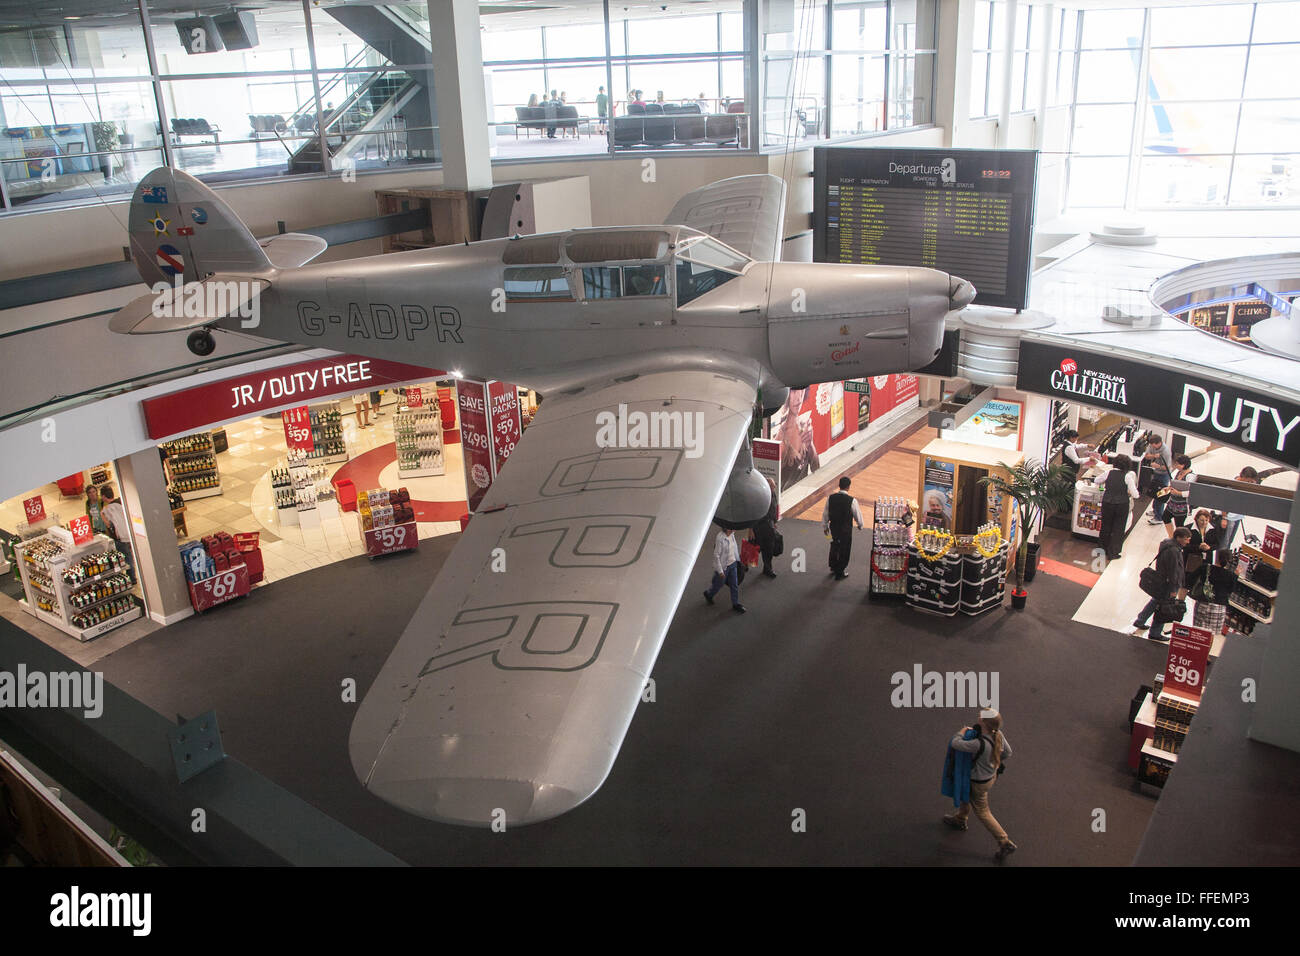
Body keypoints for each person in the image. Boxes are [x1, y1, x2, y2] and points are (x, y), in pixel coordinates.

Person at [943, 709, 1016, 862]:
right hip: (990, 777)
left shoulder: (978, 744)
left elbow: (957, 743)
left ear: (983, 723)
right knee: (966, 794)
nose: (978, 717)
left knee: (983, 811)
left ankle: (1004, 841)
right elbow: (1007, 753)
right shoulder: (998, 735)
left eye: (981, 717)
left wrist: (961, 731)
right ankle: (961, 818)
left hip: (977, 782)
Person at [1132, 527, 1192, 642]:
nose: (1187, 541)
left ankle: (1140, 620)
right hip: (1168, 584)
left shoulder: (1166, 544)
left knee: (1155, 601)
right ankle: (1155, 633)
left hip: (1161, 580)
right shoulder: (1174, 551)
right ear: (1178, 538)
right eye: (1186, 539)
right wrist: (1174, 588)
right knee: (1164, 608)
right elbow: (1174, 571)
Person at [1092, 453, 1139, 561]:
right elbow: (1136, 495)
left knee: (1105, 526)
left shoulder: (1108, 473)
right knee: (1118, 528)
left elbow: (1096, 480)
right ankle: (1113, 553)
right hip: (1121, 504)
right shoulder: (1127, 476)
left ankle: (1101, 550)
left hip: (1107, 502)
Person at [822, 476, 864, 580]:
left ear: (839, 485)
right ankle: (840, 571)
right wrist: (860, 525)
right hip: (845, 529)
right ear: (848, 487)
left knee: (835, 544)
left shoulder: (830, 498)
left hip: (834, 527)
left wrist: (825, 526)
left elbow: (825, 513)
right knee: (845, 548)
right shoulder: (852, 501)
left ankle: (833, 565)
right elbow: (857, 514)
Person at [703, 526, 746, 613]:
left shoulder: (732, 534)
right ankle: (709, 594)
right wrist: (720, 571)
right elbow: (716, 556)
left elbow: (734, 548)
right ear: (727, 528)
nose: (734, 529)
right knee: (719, 584)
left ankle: (735, 603)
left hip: (733, 564)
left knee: (734, 584)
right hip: (724, 567)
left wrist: (738, 560)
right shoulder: (720, 538)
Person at [1158, 453, 1195, 533]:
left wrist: (1178, 493)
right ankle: (1171, 536)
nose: (1176, 465)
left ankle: (1178, 540)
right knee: (1165, 517)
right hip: (1172, 503)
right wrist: (1168, 488)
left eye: (1178, 464)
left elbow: (1191, 492)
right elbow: (1176, 484)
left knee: (1179, 525)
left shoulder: (1190, 476)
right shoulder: (1179, 472)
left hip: (1182, 506)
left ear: (1184, 465)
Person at [750, 478, 779, 578]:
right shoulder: (759, 496)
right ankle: (743, 564)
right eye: (772, 486)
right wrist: (751, 529)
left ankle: (767, 569)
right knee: (754, 547)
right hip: (759, 526)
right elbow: (753, 513)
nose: (774, 487)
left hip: (769, 526)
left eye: (774, 486)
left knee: (769, 548)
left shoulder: (773, 494)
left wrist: (774, 522)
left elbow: (774, 509)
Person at [1142, 434, 1173, 524]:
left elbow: (1167, 467)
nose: (1151, 447)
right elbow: (1147, 456)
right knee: (1155, 493)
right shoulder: (1151, 445)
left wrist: (1157, 466)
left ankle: (1159, 517)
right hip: (1156, 473)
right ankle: (1155, 511)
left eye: (1153, 445)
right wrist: (1154, 456)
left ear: (1159, 443)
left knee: (1160, 495)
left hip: (1164, 475)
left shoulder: (1166, 451)